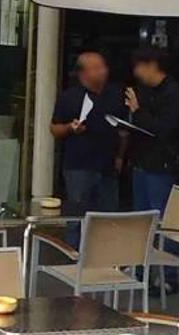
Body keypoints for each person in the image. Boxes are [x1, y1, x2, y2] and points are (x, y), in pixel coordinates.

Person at [126, 46, 179, 296]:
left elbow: (163, 130)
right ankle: (141, 270)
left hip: (161, 166)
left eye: (139, 66)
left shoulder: (175, 95)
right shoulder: (146, 92)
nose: (136, 72)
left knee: (163, 221)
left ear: (151, 65)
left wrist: (138, 111)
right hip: (142, 163)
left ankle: (167, 275)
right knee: (141, 219)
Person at [51, 51, 126, 248]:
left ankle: (103, 258)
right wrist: (70, 128)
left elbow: (123, 130)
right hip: (79, 165)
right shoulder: (70, 97)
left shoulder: (116, 95)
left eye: (103, 67)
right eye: (96, 68)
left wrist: (120, 156)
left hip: (107, 165)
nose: (103, 72)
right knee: (77, 216)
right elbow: (55, 128)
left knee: (107, 216)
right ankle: (74, 256)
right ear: (83, 73)